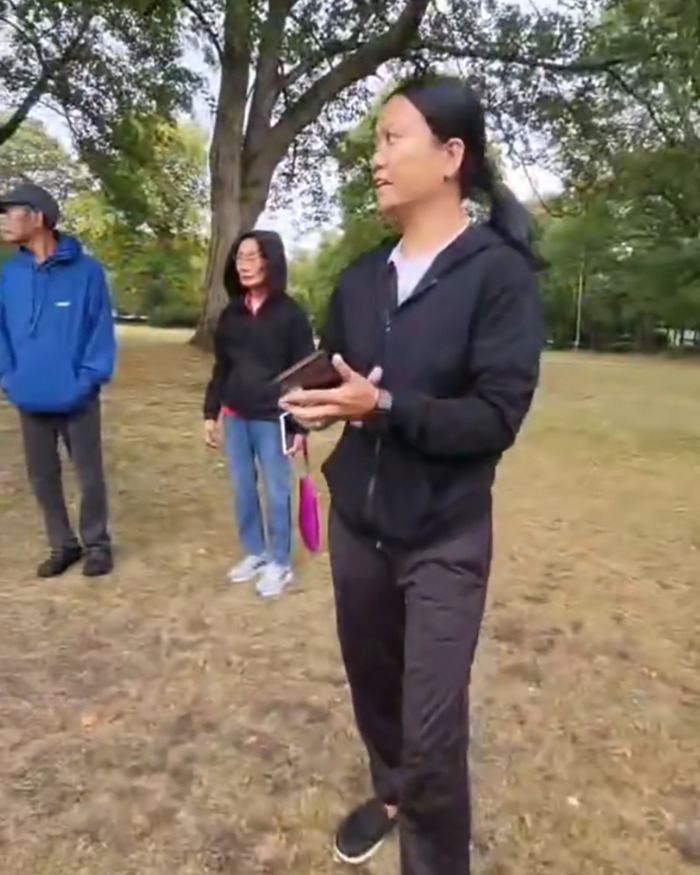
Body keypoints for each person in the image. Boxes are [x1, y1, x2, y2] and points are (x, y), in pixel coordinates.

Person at [280, 75, 543, 875]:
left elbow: (495, 417)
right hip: (360, 526)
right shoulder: (360, 278)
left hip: (444, 536)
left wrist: (384, 404)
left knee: (434, 734)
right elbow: (344, 379)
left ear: (451, 155)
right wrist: (310, 410)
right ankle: (388, 790)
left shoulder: (499, 275)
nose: (377, 158)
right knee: (375, 691)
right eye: (377, 143)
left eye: (393, 139)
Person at [0, 182, 117, 578]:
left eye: (9, 210)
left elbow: (100, 331)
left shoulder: (87, 273)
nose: (2, 219)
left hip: (77, 398)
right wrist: (9, 378)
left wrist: (86, 381)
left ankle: (97, 544)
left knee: (88, 475)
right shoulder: (9, 274)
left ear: (37, 217)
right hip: (28, 396)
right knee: (42, 477)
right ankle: (62, 545)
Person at [204, 230, 314, 598]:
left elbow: (304, 375)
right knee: (242, 488)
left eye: (253, 257)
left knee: (277, 490)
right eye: (239, 258)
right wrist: (211, 413)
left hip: (274, 418)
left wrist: (300, 426)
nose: (245, 265)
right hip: (236, 415)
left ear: (271, 261)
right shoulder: (230, 315)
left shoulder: (291, 314)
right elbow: (222, 368)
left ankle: (280, 562)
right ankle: (256, 551)